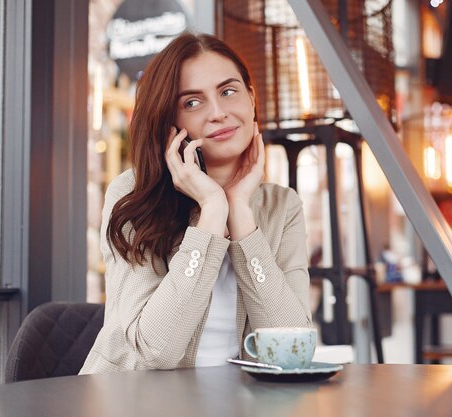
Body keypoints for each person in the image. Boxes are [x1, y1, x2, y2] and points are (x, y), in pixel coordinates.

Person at [80, 32, 312, 374]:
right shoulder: (132, 194)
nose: (218, 113)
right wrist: (212, 213)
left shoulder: (282, 206)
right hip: (132, 401)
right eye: (192, 102)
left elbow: (290, 352)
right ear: (169, 123)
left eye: (228, 91)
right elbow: (154, 353)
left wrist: (242, 217)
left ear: (251, 98)